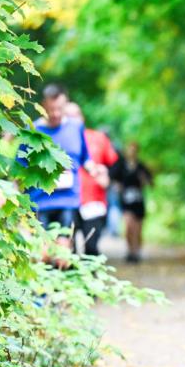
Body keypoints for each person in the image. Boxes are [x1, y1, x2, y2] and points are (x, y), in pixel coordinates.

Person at [23, 84, 100, 254]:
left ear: (66, 105)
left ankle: (65, 277)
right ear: (44, 105)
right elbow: (20, 165)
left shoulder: (76, 127)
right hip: (40, 201)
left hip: (68, 200)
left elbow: (85, 157)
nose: (56, 113)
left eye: (60, 108)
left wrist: (94, 169)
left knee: (63, 253)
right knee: (43, 253)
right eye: (51, 109)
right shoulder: (33, 131)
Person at [64, 102, 119, 256]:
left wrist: (107, 176)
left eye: (75, 115)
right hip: (66, 200)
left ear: (82, 117)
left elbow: (115, 163)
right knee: (68, 250)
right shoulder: (57, 138)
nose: (72, 119)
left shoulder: (98, 138)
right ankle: (70, 279)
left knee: (92, 248)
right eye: (68, 116)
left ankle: (91, 277)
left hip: (93, 200)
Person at [111, 141, 152, 264]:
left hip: (138, 200)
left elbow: (150, 182)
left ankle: (137, 250)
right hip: (126, 200)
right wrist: (117, 186)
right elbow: (112, 178)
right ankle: (130, 251)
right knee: (129, 226)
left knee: (138, 228)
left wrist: (144, 180)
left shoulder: (141, 166)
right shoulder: (121, 165)